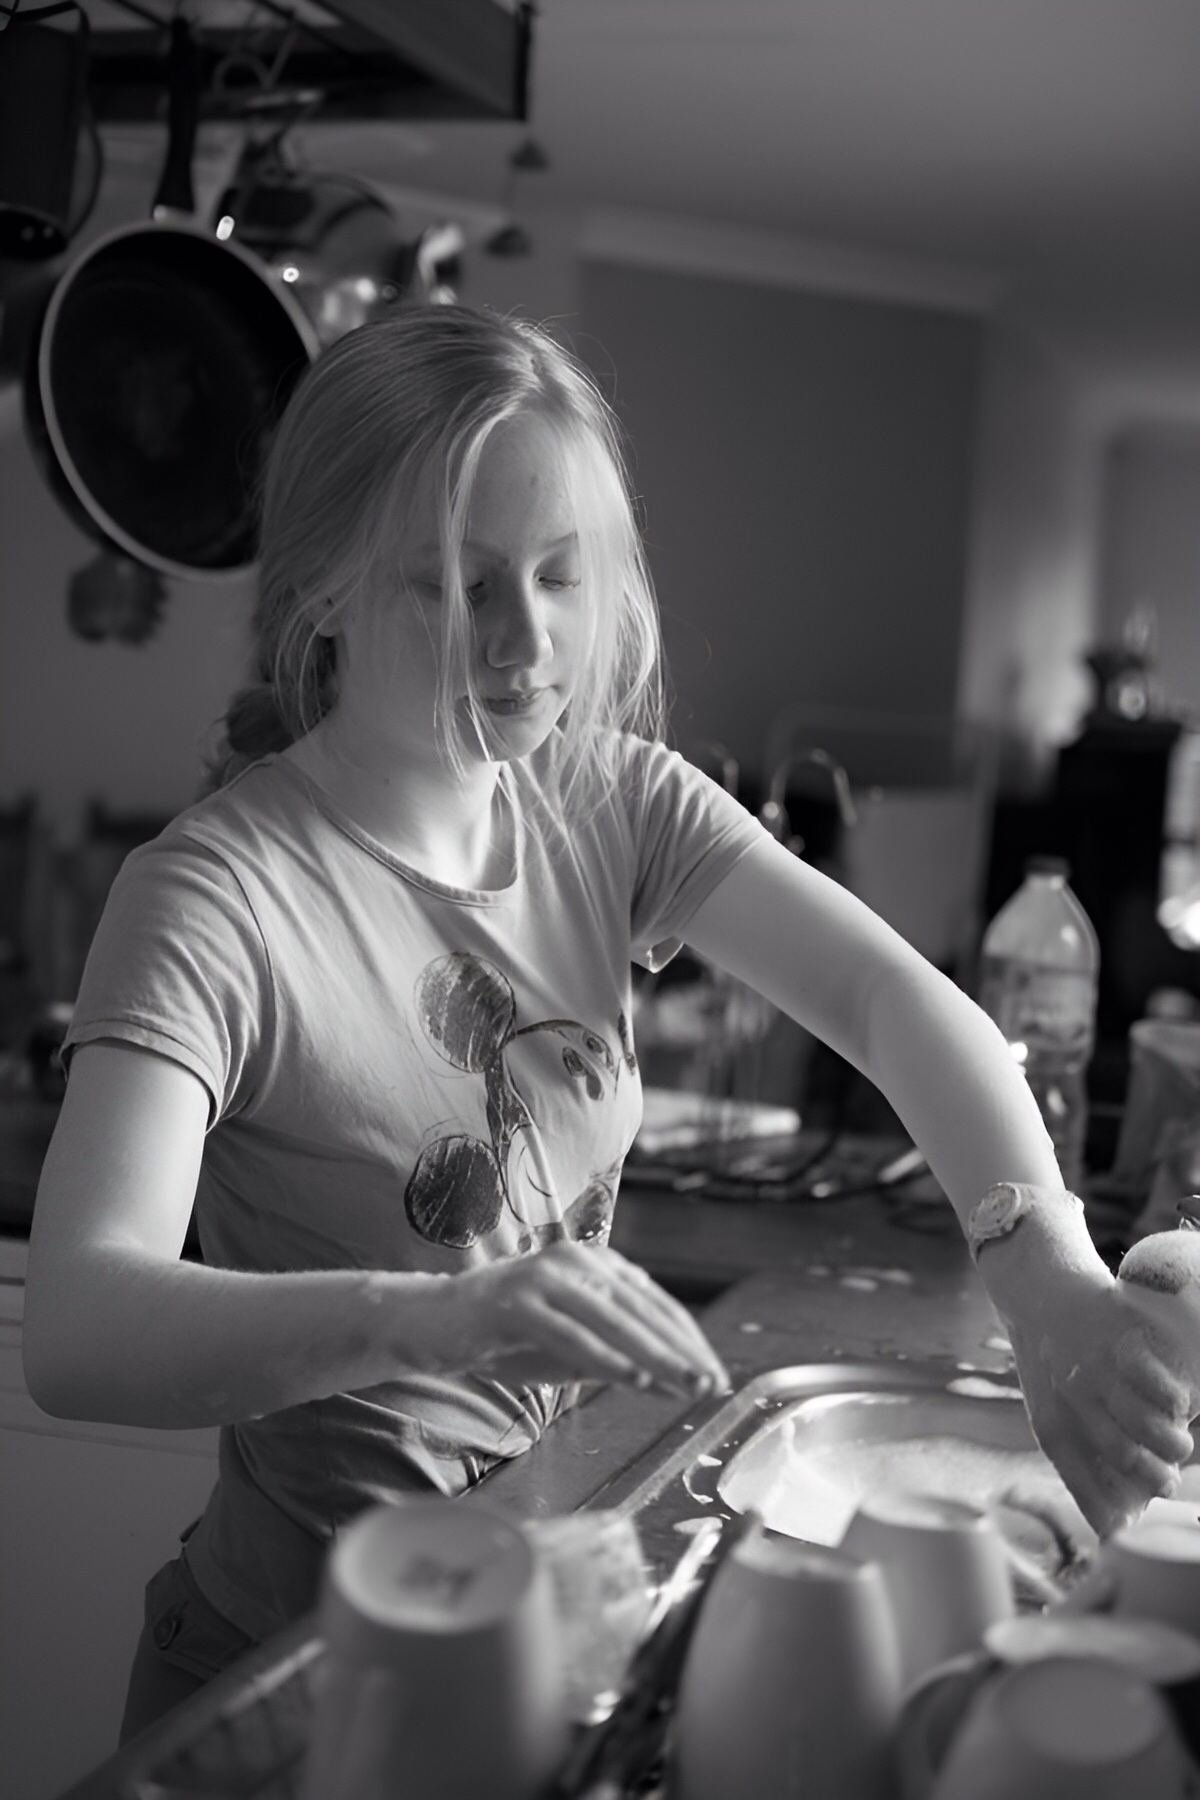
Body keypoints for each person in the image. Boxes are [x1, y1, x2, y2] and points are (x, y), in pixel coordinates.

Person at [23, 305, 1195, 1738]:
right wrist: (438, 1319)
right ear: (324, 592)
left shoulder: (608, 801)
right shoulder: (216, 896)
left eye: (559, 575)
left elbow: (890, 1003)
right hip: (298, 1673)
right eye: (458, 585)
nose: (528, 642)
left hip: (535, 1616)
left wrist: (1048, 1280)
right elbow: (79, 1324)